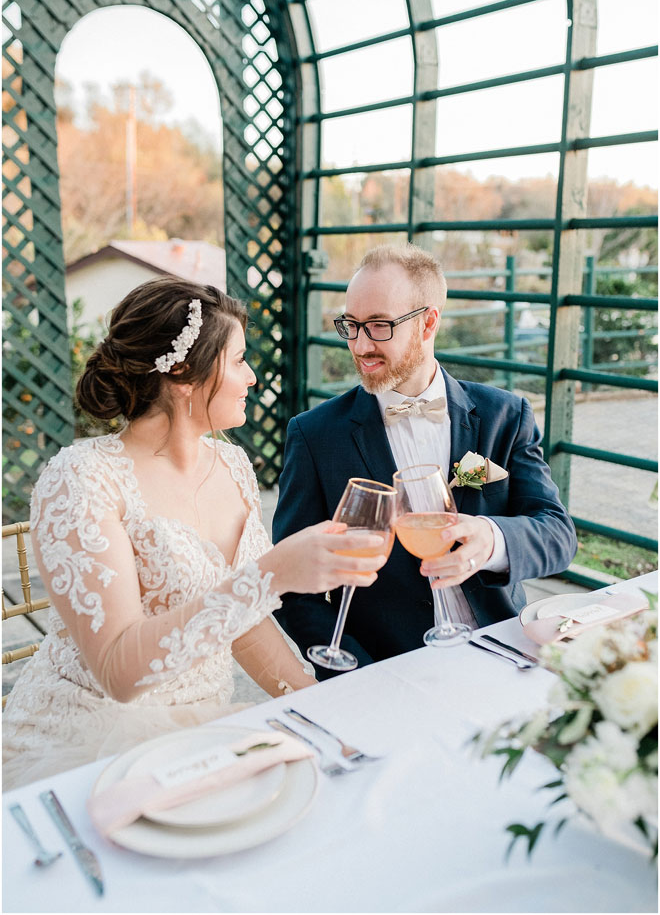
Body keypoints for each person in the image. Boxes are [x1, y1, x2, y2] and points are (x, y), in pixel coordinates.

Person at [3, 277, 387, 789]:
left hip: (205, 728)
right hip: (91, 736)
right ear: (184, 373)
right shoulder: (82, 480)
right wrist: (271, 575)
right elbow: (119, 673)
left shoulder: (232, 464)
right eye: (239, 360)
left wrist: (320, 705)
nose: (252, 377)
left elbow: (244, 625)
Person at [273, 244, 577, 675]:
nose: (360, 345)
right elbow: (292, 589)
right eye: (351, 325)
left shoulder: (504, 415)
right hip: (385, 671)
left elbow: (558, 534)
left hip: (503, 654)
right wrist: (358, 675)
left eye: (379, 326)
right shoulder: (315, 435)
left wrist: (492, 540)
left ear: (428, 322)